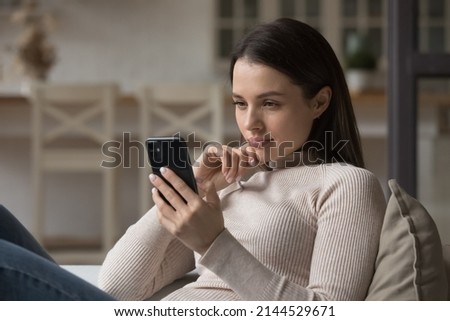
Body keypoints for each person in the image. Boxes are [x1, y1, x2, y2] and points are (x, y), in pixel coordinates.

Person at [0, 18, 386, 301]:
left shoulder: (345, 184)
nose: (250, 123)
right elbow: (118, 288)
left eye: (270, 103)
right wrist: (190, 189)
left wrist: (214, 241)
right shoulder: (236, 183)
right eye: (240, 103)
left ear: (319, 101)